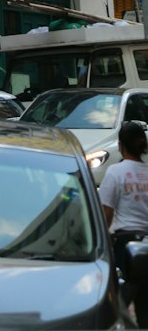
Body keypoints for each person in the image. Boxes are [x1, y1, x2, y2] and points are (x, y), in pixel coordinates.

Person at [100, 120, 148, 326]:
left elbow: (107, 214)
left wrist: (102, 242)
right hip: (146, 245)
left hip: (125, 244)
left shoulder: (114, 172)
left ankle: (115, 321)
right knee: (145, 299)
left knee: (126, 290)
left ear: (121, 145)